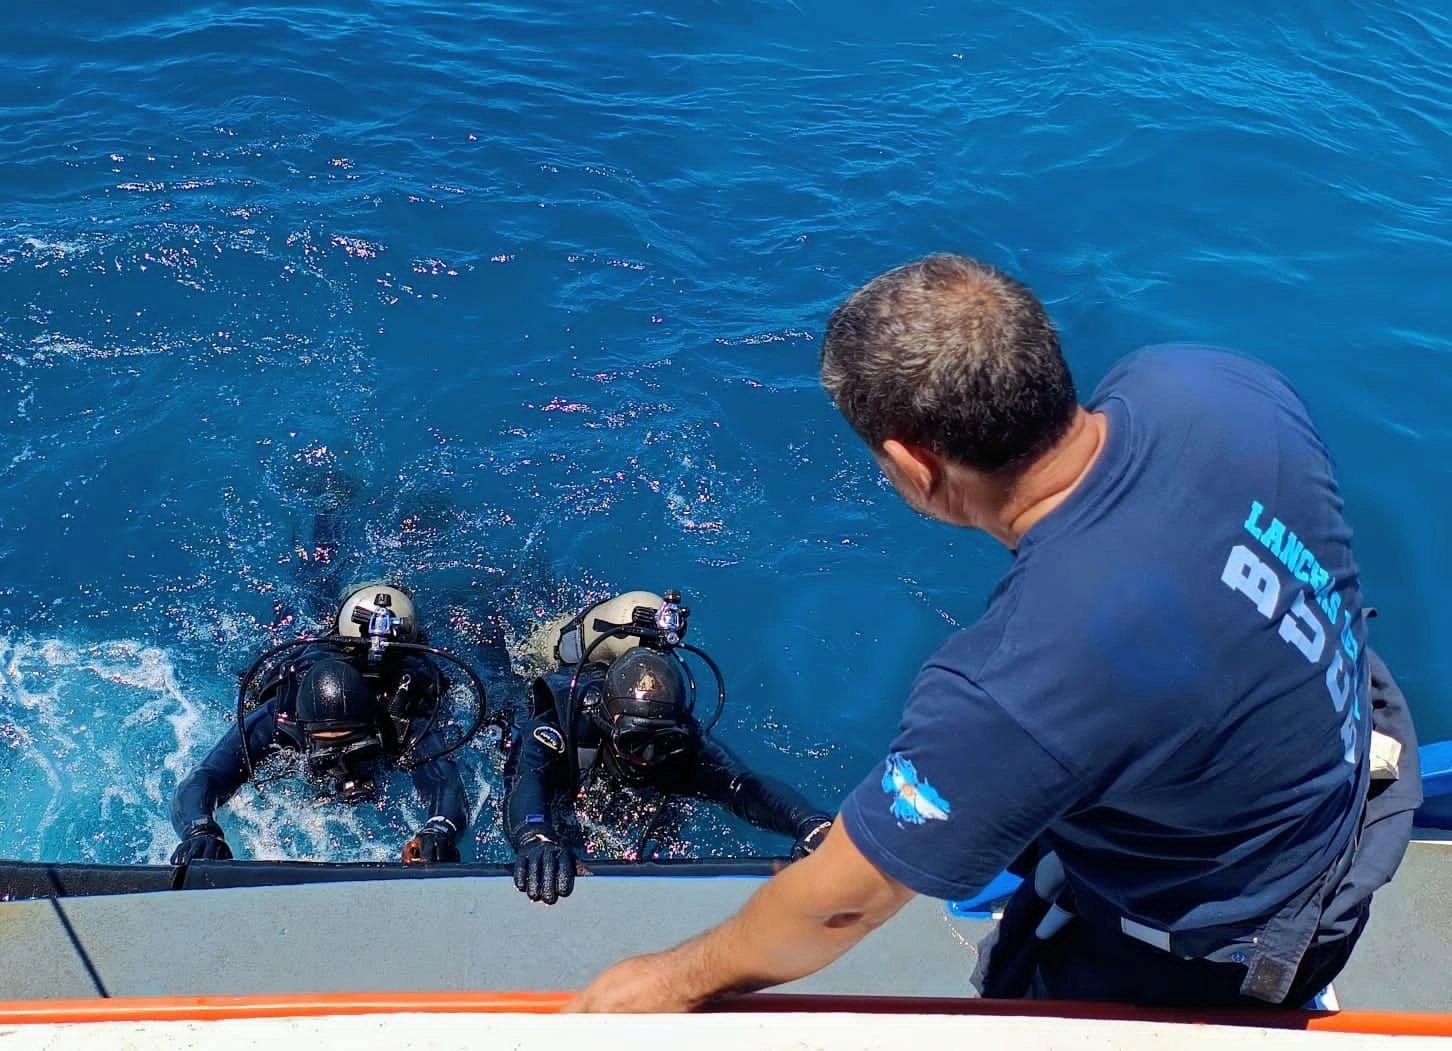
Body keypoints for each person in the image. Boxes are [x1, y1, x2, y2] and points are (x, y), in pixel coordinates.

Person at [568, 254, 1421, 1011]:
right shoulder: (1211, 383)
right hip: (1346, 780)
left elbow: (841, 903)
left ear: (915, 467)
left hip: (1233, 935)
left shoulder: (1021, 677)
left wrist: (670, 978)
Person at [504, 590, 834, 904]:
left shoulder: (683, 745)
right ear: (607, 727)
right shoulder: (567, 725)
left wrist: (811, 823)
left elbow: (742, 787)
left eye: (664, 742)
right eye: (634, 742)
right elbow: (526, 779)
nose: (648, 758)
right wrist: (535, 836)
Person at [170, 581, 472, 866]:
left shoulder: (402, 719)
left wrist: (438, 831)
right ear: (304, 733)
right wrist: (201, 831)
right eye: (326, 756)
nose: (342, 769)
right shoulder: (279, 717)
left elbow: (444, 783)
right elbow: (205, 777)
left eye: (357, 752)